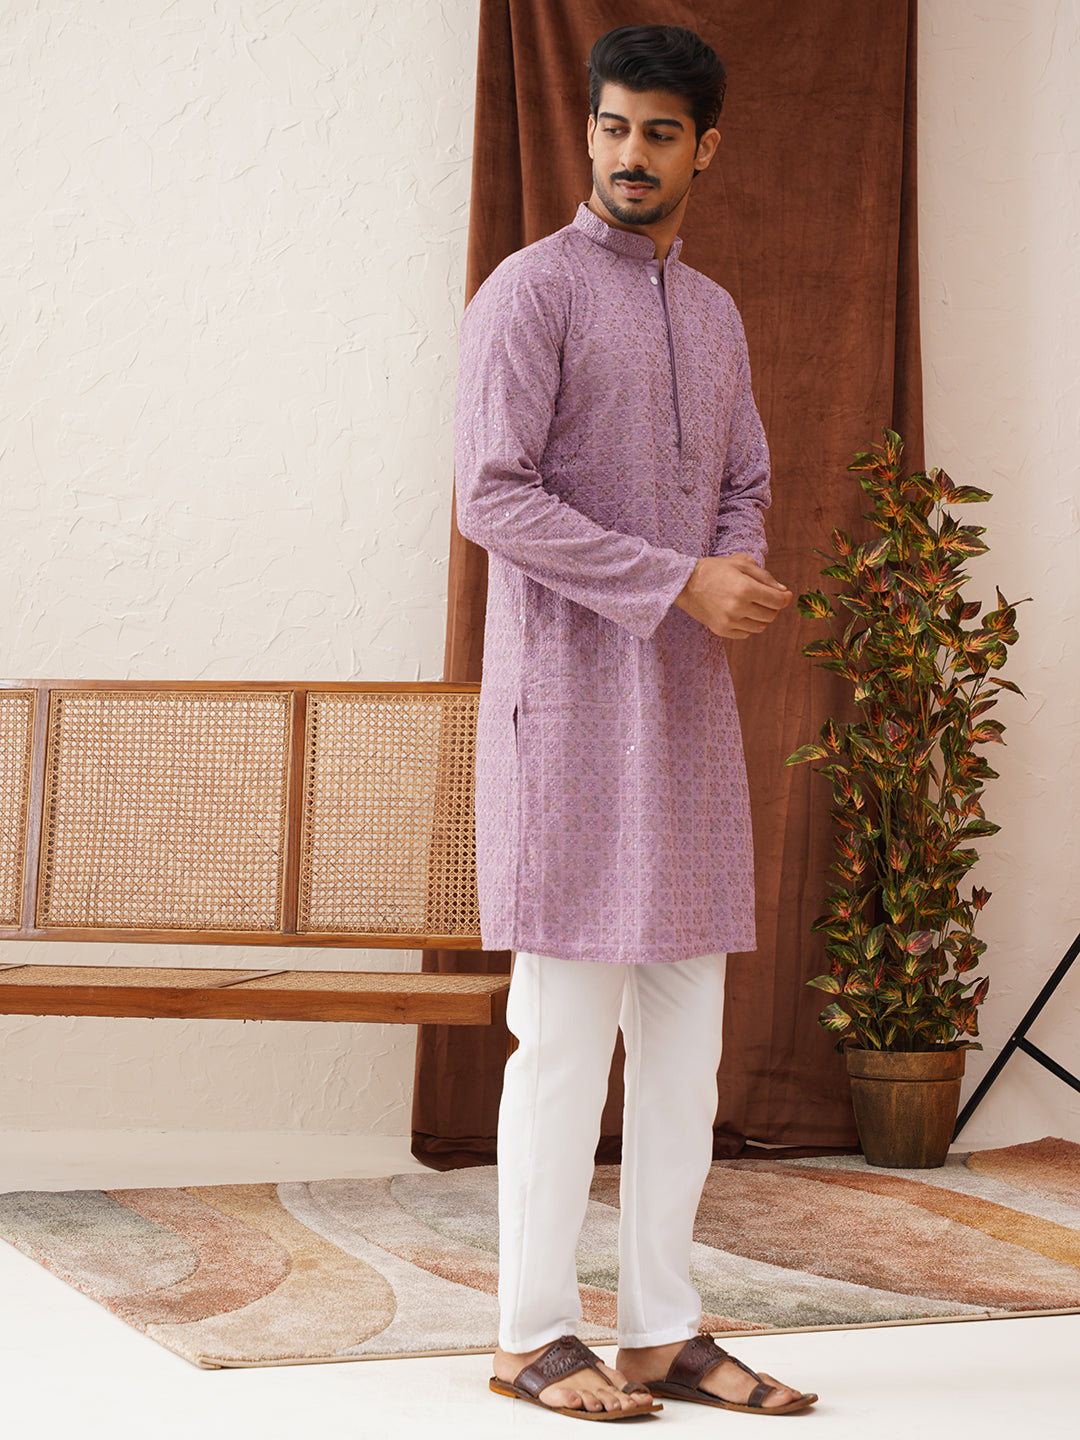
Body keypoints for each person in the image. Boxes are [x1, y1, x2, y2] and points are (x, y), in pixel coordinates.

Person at [454, 23, 817, 1421]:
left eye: (660, 133)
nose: (630, 154)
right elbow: (492, 494)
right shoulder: (530, 293)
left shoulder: (711, 311)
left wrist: (730, 563)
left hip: (684, 720)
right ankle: (532, 1336)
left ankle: (663, 1330)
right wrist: (678, 582)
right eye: (613, 127)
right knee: (562, 1041)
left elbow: (745, 475)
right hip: (568, 716)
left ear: (703, 148)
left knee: (683, 1046)